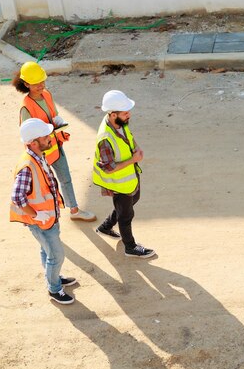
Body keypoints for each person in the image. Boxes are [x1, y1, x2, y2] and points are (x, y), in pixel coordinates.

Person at [12, 61, 96, 222]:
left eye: (42, 81)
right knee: (41, 187)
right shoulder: (26, 108)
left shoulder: (47, 94)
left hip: (55, 146)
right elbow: (29, 136)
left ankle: (74, 210)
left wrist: (58, 122)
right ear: (27, 84)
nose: (41, 86)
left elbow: (53, 114)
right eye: (36, 83)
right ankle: (40, 216)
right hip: (40, 154)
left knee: (65, 178)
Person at [11, 118, 77, 305]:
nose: (50, 138)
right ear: (33, 142)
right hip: (41, 221)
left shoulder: (37, 156)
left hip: (47, 218)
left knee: (46, 250)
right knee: (57, 256)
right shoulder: (27, 166)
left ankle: (52, 277)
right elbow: (17, 197)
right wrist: (35, 215)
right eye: (45, 136)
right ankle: (54, 288)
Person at [93, 90, 156, 259]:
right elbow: (108, 167)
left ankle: (105, 227)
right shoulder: (105, 139)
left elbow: (128, 135)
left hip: (129, 178)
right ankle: (130, 247)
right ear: (113, 114)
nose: (129, 115)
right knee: (126, 215)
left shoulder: (119, 122)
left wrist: (136, 147)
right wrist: (133, 159)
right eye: (125, 112)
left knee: (132, 202)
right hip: (118, 182)